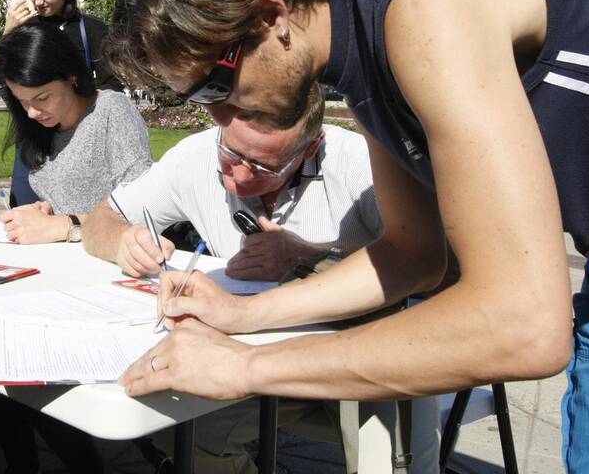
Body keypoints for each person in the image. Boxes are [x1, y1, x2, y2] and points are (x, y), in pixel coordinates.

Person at [107, 0, 589, 473]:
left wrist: (246, 368)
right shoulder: (364, 50)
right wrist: (240, 316)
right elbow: (412, 255)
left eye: (214, 86)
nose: (217, 115)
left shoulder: (426, 4)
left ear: (270, 16)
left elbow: (522, 324)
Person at [83, 84, 440, 473]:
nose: (237, 177)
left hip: (362, 357)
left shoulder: (360, 167)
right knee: (174, 424)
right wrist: (122, 240)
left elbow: (437, 271)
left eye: (265, 166)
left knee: (389, 461)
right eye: (230, 154)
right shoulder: (194, 157)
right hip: (257, 360)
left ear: (311, 147)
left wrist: (307, 256)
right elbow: (100, 219)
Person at [0, 18, 152, 474]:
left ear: (71, 77)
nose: (33, 112)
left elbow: (145, 211)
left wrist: (67, 227)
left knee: (28, 370)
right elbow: (47, 199)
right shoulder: (37, 129)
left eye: (42, 98)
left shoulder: (110, 111)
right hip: (59, 274)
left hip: (114, 276)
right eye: (22, 102)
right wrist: (39, 215)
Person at [4, 0, 122, 207]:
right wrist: (8, 34)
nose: (38, 1)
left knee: (72, 210)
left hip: (79, 139)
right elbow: (4, 83)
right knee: (24, 211)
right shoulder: (26, 28)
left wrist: (76, 104)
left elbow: (112, 84)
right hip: (34, 139)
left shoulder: (92, 30)